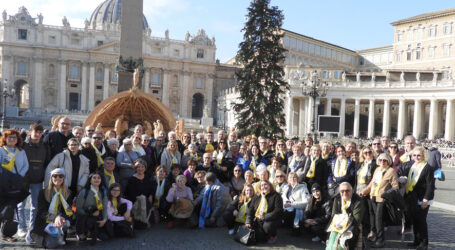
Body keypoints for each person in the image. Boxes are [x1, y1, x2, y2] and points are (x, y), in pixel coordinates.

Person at [399, 147, 434, 249]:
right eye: (414, 155)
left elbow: (430, 185)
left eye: (419, 155)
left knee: (421, 221)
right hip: (412, 196)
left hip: (422, 198)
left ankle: (424, 243)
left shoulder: (427, 168)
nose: (416, 157)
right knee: (415, 220)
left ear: (424, 156)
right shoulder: (412, 165)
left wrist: (426, 199)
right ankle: (416, 241)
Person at [360, 153, 398, 248]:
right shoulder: (377, 169)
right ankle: (374, 235)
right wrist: (364, 192)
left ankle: (381, 240)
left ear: (388, 161)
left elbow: (395, 186)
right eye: (380, 160)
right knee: (372, 217)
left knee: (379, 219)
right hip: (373, 196)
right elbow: (371, 184)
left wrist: (387, 195)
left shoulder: (391, 171)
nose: (382, 162)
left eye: (384, 160)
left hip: (382, 199)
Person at [21, 124, 51, 243]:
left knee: (35, 206)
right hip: (23, 179)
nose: (37, 134)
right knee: (20, 205)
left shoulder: (44, 146)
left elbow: (47, 162)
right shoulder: (22, 145)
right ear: (30, 132)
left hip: (37, 179)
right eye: (35, 132)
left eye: (39, 132)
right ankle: (21, 226)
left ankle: (31, 229)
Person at [31, 168, 72, 248]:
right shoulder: (43, 192)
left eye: (60, 176)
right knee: (50, 245)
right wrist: (55, 218)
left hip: (61, 220)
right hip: (46, 221)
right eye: (55, 176)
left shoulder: (68, 193)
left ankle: (60, 235)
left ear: (64, 178)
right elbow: (42, 212)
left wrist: (61, 218)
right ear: (51, 178)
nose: (58, 178)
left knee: (66, 223)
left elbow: (69, 210)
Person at [0, 129, 29, 238]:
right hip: (3, 183)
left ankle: (6, 233)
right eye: (9, 137)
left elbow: (26, 165)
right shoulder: (1, 150)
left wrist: (19, 176)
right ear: (5, 139)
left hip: (16, 183)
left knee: (10, 209)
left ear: (17, 140)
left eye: (14, 137)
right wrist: (9, 176)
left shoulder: (21, 151)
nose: (12, 139)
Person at [327, 182, 364, 250]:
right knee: (331, 237)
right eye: (342, 191)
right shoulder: (337, 199)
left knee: (345, 239)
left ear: (352, 190)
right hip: (337, 225)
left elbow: (357, 220)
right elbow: (333, 216)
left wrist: (343, 227)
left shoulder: (358, 201)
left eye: (347, 190)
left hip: (352, 225)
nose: (344, 193)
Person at [75, 172, 109, 244]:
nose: (96, 179)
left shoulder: (103, 192)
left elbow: (105, 207)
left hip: (98, 215)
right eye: (94, 178)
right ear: (90, 180)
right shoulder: (84, 192)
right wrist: (91, 214)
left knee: (106, 237)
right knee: (82, 218)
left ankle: (93, 232)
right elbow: (78, 209)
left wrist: (104, 219)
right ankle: (81, 232)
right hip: (85, 215)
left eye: (98, 178)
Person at [124, 159, 154, 229]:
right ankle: (142, 220)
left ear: (145, 168)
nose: (140, 169)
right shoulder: (132, 179)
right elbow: (130, 194)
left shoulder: (147, 177)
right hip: (136, 201)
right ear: (135, 168)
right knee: (142, 199)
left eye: (142, 167)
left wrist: (151, 195)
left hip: (146, 200)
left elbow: (151, 189)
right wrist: (141, 199)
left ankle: (145, 220)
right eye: (138, 167)